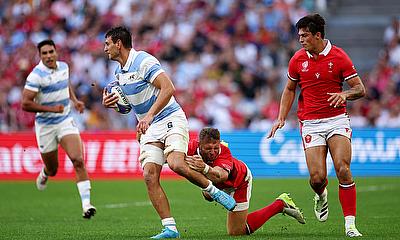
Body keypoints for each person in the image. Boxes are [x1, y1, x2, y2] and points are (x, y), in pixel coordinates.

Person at [102, 26, 236, 239]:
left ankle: (215, 192)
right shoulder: (119, 73)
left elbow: (168, 88)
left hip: (169, 118)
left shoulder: (143, 61)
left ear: (118, 43)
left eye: (107, 44)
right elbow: (129, 106)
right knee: (149, 175)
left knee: (176, 164)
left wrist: (148, 117)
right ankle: (170, 228)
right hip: (149, 126)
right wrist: (113, 104)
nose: (105, 48)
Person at [267, 14, 366, 237]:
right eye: (299, 36)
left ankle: (350, 225)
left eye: (305, 35)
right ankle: (321, 195)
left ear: (318, 35)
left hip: (337, 120)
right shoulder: (297, 59)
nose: (300, 40)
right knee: (317, 178)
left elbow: (360, 89)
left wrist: (344, 94)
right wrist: (281, 117)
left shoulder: (339, 57)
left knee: (343, 168)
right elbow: (290, 89)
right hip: (310, 123)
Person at [22, 39, 96, 219]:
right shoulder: (36, 76)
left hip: (65, 120)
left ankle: (86, 205)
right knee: (53, 169)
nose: (48, 56)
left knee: (78, 159)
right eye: (44, 53)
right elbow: (25, 103)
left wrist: (75, 100)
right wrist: (51, 109)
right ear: (40, 56)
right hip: (46, 125)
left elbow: (65, 84)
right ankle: (45, 172)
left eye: (51, 52)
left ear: (56, 52)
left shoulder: (63, 67)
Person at [185, 127, 305, 236]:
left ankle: (280, 204)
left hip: (240, 182)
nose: (213, 152)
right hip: (216, 184)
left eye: (216, 148)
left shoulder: (224, 151)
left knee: (237, 232)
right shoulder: (190, 147)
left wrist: (204, 168)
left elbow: (221, 176)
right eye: (208, 148)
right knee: (208, 196)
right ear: (199, 144)